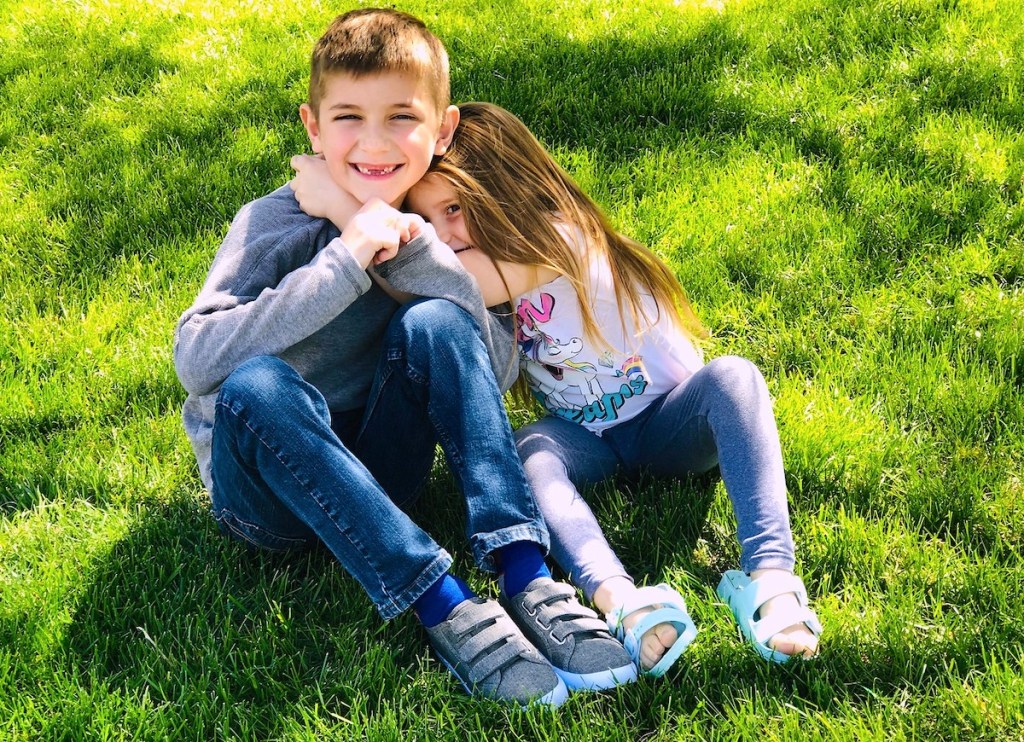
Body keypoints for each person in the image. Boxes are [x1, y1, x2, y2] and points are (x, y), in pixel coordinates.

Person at [173, 11, 635, 708]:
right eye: (349, 118)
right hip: (266, 497)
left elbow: (491, 363)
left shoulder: (433, 228)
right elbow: (196, 359)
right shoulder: (272, 221)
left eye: (401, 117)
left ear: (442, 130)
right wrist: (348, 250)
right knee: (258, 384)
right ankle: (444, 604)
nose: (375, 142)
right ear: (312, 125)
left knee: (438, 319)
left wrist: (403, 242)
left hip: (384, 472)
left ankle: (525, 572)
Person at [402, 101, 823, 676]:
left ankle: (770, 577)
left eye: (454, 210)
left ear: (507, 192)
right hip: (584, 437)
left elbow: (445, 279)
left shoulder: (560, 239)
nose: (442, 238)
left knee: (735, 377)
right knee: (529, 450)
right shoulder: (481, 271)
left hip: (669, 422)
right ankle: (619, 600)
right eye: (426, 222)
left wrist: (366, 235)